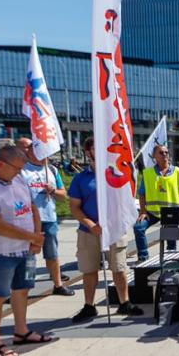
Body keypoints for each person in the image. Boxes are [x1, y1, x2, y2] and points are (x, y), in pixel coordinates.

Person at [0, 145, 52, 356]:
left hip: (26, 249)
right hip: (0, 252)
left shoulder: (17, 180)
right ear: (0, 164)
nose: (20, 173)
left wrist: (37, 237)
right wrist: (31, 237)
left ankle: (21, 331)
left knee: (22, 290)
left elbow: (32, 208)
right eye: (17, 168)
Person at [68, 137, 143, 323]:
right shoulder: (80, 179)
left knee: (119, 267)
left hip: (114, 229)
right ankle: (89, 306)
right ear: (88, 152)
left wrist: (113, 222)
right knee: (89, 269)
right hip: (89, 232)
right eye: (95, 147)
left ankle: (124, 302)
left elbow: (124, 202)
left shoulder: (115, 173)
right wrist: (90, 225)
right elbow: (74, 207)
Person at [16, 138, 73, 297]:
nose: (43, 155)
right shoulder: (22, 170)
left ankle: (58, 284)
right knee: (29, 257)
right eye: (38, 150)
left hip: (48, 218)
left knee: (52, 254)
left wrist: (53, 191)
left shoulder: (52, 171)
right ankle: (24, 288)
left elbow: (63, 195)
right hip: (27, 221)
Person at [134, 144, 179, 262]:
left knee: (171, 239)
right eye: (161, 152)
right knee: (138, 228)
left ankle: (170, 258)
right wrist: (143, 211)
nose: (165, 155)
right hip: (152, 212)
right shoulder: (148, 173)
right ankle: (143, 257)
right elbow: (141, 193)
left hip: (171, 212)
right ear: (154, 156)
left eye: (166, 152)